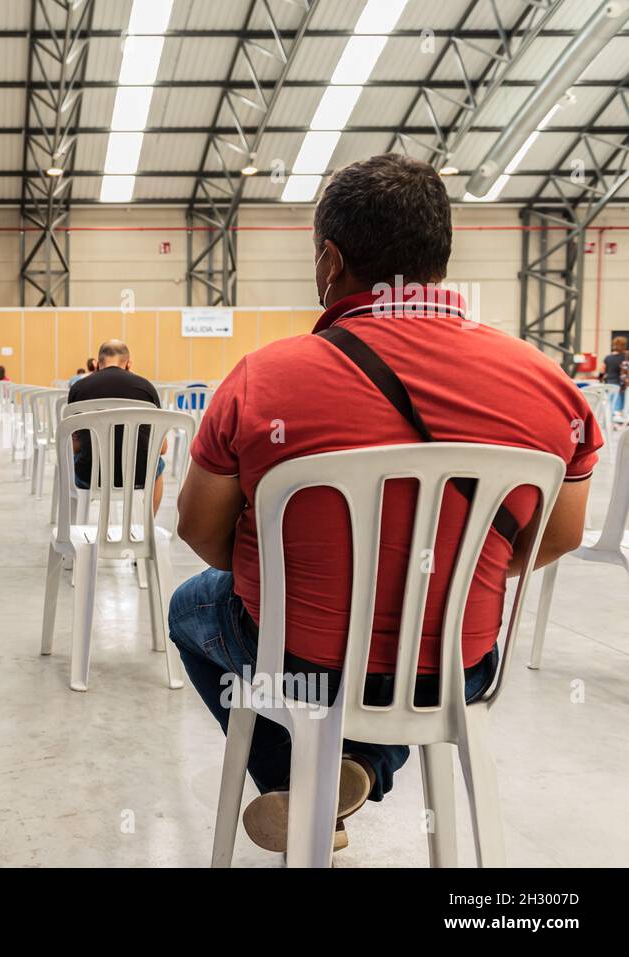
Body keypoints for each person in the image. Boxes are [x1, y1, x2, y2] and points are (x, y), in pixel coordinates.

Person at [168, 154, 601, 854]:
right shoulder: (551, 387)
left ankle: (301, 781)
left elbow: (198, 527)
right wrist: (451, 584)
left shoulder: (264, 379)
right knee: (411, 655)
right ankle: (359, 766)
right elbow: (559, 536)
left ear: (330, 260)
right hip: (458, 668)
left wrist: (273, 573)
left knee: (192, 606)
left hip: (303, 662)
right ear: (438, 257)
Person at [65, 340, 168, 514]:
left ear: (97, 364)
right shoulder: (146, 388)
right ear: (129, 364)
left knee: (78, 459)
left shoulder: (78, 389)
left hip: (89, 474)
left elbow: (74, 447)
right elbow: (162, 448)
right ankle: (146, 528)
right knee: (158, 464)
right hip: (139, 473)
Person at [600, 335, 626, 423]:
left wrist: (600, 380)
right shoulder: (625, 356)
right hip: (621, 384)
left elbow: (602, 370)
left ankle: (610, 421)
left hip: (609, 383)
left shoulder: (608, 357)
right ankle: (616, 420)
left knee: (610, 403)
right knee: (618, 404)